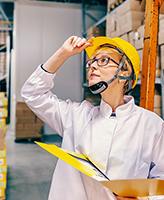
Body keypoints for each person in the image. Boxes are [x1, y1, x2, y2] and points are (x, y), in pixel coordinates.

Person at [21, 36, 164, 200]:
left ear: (125, 71)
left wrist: (142, 199)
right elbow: (32, 94)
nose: (93, 66)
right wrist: (63, 53)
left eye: (103, 60)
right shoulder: (76, 116)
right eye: (91, 62)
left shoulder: (151, 124)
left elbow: (161, 179)